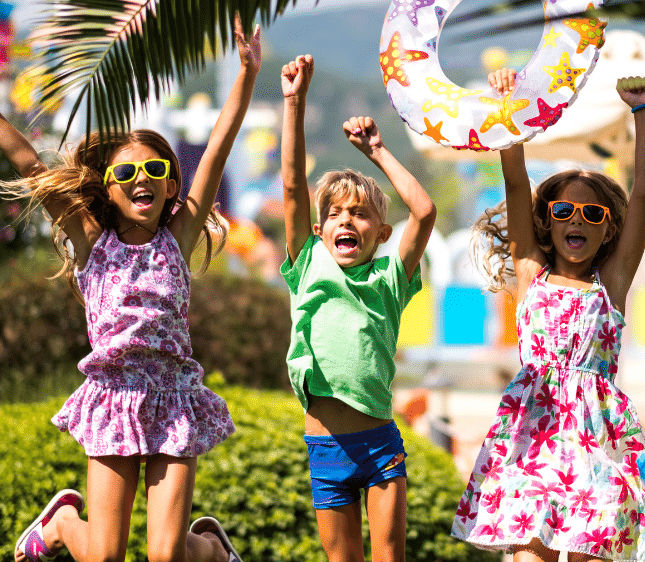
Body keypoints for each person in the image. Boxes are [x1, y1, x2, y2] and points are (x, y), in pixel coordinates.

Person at [6, 15, 260, 562]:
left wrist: (245, 73)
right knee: (104, 557)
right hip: (113, 396)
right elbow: (28, 161)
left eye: (154, 168)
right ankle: (61, 524)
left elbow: (218, 145)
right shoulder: (91, 239)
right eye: (125, 174)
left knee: (166, 556)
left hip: (173, 396)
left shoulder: (179, 235)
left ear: (172, 183)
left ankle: (210, 547)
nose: (140, 178)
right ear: (108, 188)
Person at [452, 70, 645, 562]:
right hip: (533, 435)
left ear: (607, 230)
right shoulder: (531, 270)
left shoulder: (611, 284)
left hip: (597, 442)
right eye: (564, 210)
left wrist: (644, 111)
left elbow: (644, 193)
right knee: (528, 554)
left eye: (592, 214)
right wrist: (506, 105)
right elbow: (515, 179)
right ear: (546, 222)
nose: (577, 218)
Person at [279, 53, 437, 562]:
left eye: (361, 213)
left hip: (380, 446)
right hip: (325, 450)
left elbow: (425, 210)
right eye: (335, 213)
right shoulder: (307, 264)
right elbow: (289, 187)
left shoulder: (391, 278)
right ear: (320, 229)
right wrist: (294, 102)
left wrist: (378, 152)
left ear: (381, 233)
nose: (346, 219)